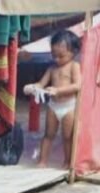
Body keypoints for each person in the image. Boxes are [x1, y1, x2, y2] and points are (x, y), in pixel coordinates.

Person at [23, 29, 82, 168]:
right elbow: (41, 84)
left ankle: (67, 162)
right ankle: (42, 161)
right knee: (48, 134)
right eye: (54, 55)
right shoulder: (52, 69)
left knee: (67, 136)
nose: (56, 59)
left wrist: (58, 90)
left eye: (61, 56)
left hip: (69, 106)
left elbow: (78, 85)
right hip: (53, 106)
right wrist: (33, 87)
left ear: (73, 52)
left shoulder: (74, 66)